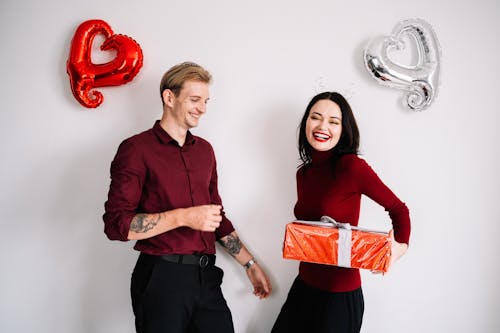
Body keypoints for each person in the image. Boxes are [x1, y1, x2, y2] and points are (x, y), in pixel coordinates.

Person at [103, 61, 272, 333]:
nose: (202, 109)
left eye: (206, 101)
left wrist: (249, 264)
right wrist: (183, 217)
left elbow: (217, 217)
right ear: (169, 97)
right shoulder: (136, 149)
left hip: (207, 278)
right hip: (161, 278)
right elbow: (116, 225)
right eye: (194, 99)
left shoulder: (205, 151)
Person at [272, 92, 410, 333]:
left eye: (333, 121)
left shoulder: (352, 167)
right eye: (315, 117)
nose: (322, 126)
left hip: (339, 297)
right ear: (306, 123)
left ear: (343, 129)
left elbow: (399, 210)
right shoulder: (303, 174)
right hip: (303, 287)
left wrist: (399, 249)